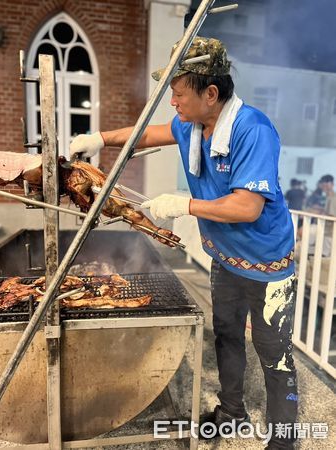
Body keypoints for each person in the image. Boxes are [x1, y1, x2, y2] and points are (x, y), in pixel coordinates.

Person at [70, 36, 297, 449]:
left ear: (211, 93)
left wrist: (186, 204)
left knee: (274, 354)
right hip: (224, 258)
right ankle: (231, 412)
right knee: (226, 334)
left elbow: (247, 207)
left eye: (178, 94)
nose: (173, 103)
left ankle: (285, 438)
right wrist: (99, 139)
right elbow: (148, 134)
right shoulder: (193, 124)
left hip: (266, 264)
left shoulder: (253, 130)